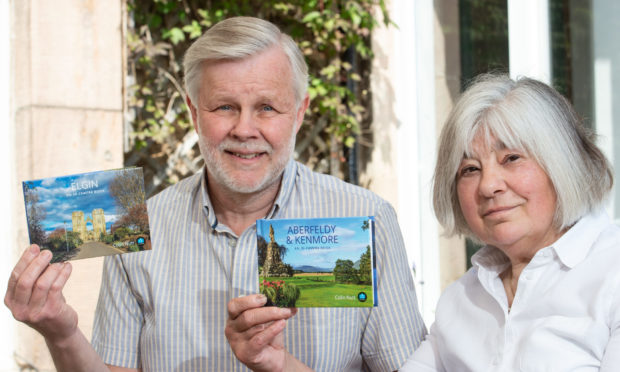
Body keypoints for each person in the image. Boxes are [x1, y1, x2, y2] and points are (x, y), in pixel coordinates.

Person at [5, 17, 426, 372]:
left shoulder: (367, 218)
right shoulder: (134, 227)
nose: (245, 129)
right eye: (224, 106)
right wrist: (60, 332)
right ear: (192, 111)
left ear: (300, 112)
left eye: (267, 107)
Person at [401, 74, 620, 371]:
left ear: (563, 163)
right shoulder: (459, 300)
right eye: (470, 169)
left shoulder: (612, 268)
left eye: (512, 158)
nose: (488, 186)